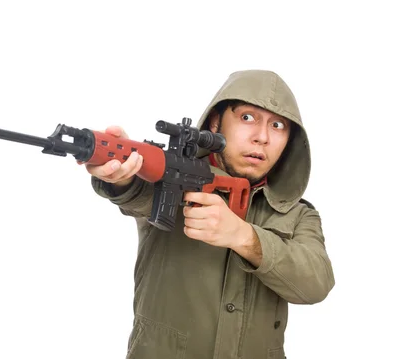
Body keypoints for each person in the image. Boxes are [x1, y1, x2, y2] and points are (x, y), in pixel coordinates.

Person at [85, 70, 335, 359]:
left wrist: (243, 236)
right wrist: (121, 176)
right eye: (247, 118)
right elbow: (137, 195)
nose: (262, 137)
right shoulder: (171, 179)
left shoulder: (298, 214)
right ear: (216, 122)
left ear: (290, 139)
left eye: (277, 125)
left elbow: (316, 285)